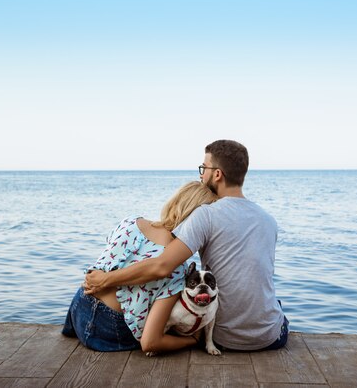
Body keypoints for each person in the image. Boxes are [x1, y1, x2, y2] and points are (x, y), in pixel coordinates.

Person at [85, 139, 288, 351]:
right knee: (276, 306)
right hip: (270, 336)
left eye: (204, 168)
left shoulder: (206, 215)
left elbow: (162, 266)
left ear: (217, 174)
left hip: (222, 338)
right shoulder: (269, 220)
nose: (201, 175)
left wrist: (105, 279)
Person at [62, 181, 218, 352]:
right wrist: (193, 340)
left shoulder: (131, 222)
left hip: (80, 305)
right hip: (111, 329)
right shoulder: (177, 268)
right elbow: (150, 343)